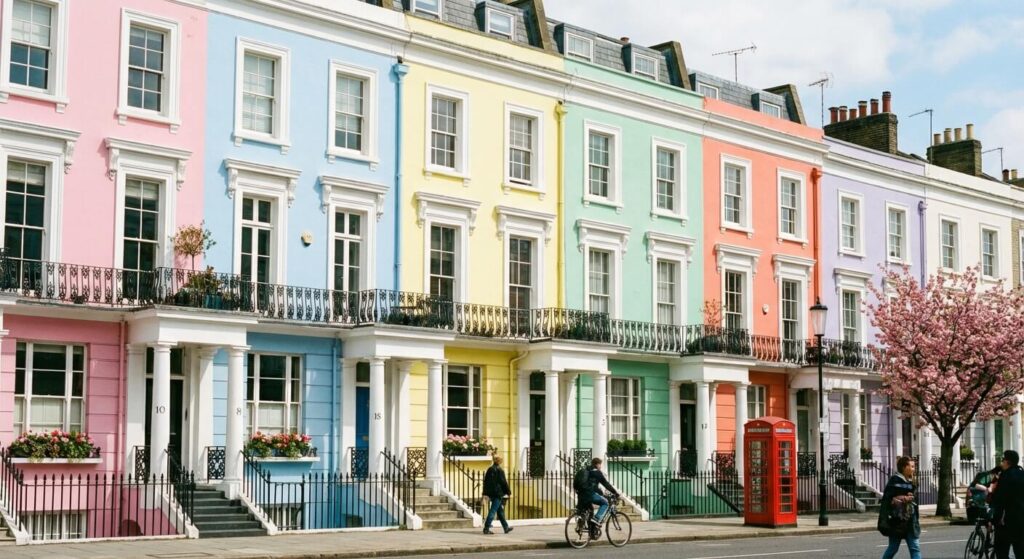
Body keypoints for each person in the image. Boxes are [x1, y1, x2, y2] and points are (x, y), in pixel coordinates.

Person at [880, 456, 921, 559]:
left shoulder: (912, 481)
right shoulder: (894, 480)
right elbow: (887, 499)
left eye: (913, 466)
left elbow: (914, 500)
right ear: (904, 467)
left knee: (915, 547)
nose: (913, 469)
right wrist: (902, 498)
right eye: (911, 466)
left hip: (911, 520)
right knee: (893, 548)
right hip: (897, 521)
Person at [990, 450, 1024, 559]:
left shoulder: (1005, 476)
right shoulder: (1022, 474)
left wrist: (993, 520)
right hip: (1021, 521)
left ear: (1007, 462)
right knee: (1020, 552)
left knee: (1001, 552)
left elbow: (1000, 500)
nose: (1001, 462)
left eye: (1002, 460)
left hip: (1006, 522)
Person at [575, 457, 619, 525]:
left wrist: (600, 492)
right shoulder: (597, 473)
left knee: (591, 511)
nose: (600, 466)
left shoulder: (585, 470)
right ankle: (597, 518)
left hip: (581, 495)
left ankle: (591, 531)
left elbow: (591, 485)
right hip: (590, 494)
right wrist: (615, 492)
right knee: (605, 503)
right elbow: (606, 484)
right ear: (597, 464)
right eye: (600, 464)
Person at [482, 455, 513, 535]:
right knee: (493, 511)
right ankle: (486, 528)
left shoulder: (490, 469)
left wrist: (485, 493)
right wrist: (508, 492)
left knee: (500, 511)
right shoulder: (500, 470)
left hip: (491, 493)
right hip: (498, 493)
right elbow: (503, 482)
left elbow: (486, 482)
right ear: (499, 462)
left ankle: (506, 527)